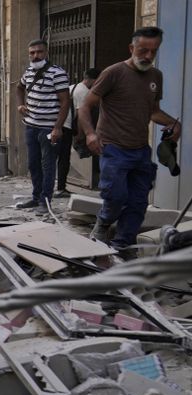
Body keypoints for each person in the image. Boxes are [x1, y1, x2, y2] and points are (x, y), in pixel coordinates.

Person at [79, 26, 181, 256]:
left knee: (137, 203)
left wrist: (175, 124)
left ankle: (122, 246)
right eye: (143, 50)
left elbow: (153, 111)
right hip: (113, 148)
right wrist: (90, 134)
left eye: (153, 52)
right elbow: (85, 106)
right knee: (115, 197)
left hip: (140, 151)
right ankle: (104, 223)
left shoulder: (156, 76)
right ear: (131, 48)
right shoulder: (113, 73)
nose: (148, 56)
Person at [15, 39, 70, 215]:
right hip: (31, 126)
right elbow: (19, 87)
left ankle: (45, 201)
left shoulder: (57, 73)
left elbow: (65, 102)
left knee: (48, 165)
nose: (35, 55)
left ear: (46, 53)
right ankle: (36, 196)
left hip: (49, 128)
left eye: (39, 52)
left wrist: (58, 128)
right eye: (32, 53)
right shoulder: (29, 71)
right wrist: (20, 105)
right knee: (33, 164)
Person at [55, 67, 100, 197]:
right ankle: (60, 188)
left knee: (55, 157)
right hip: (65, 126)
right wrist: (81, 135)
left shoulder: (73, 87)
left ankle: (57, 187)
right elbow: (82, 116)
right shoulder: (83, 92)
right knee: (64, 158)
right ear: (92, 80)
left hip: (58, 124)